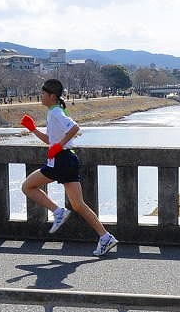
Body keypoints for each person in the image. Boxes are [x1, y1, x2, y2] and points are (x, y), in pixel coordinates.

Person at [20, 79, 118, 256]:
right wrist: (33, 129)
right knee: (78, 205)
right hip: (68, 159)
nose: (40, 96)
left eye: (43, 93)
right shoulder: (54, 111)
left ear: (52, 96)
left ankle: (58, 212)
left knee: (27, 186)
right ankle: (105, 237)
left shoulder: (56, 112)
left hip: (61, 159)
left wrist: (59, 146)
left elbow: (74, 128)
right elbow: (51, 140)